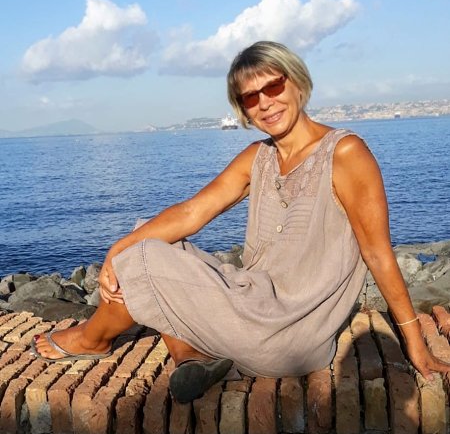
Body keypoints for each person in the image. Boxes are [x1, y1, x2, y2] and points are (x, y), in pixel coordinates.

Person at [32, 40, 450, 403]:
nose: (265, 102)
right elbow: (192, 212)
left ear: (298, 84)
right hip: (254, 306)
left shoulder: (344, 153)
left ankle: (93, 339)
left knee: (145, 259)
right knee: (156, 240)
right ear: (243, 110)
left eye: (273, 86)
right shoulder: (258, 157)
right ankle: (190, 355)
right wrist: (118, 247)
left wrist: (414, 342)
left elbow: (377, 253)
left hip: (289, 335)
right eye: (251, 97)